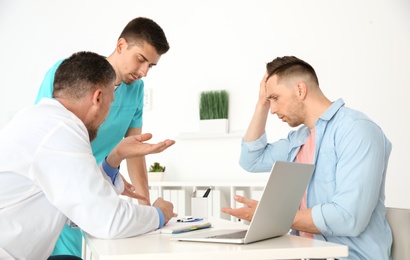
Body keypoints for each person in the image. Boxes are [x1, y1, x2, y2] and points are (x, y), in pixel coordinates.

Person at [0, 51, 176, 260]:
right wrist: (159, 214)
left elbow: (81, 200)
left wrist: (114, 158)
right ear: (98, 97)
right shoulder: (62, 129)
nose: (108, 115)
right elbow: (108, 220)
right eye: (110, 103)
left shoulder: (39, 118)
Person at [221, 56, 392, 259]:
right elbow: (251, 160)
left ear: (300, 90)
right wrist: (261, 104)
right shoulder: (300, 138)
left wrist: (271, 218)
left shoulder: (356, 130)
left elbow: (348, 217)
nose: (273, 109)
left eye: (275, 98)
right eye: (269, 101)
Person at [34, 17, 170, 257]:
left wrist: (145, 205)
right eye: (141, 59)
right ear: (121, 46)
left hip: (98, 183)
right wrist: (156, 216)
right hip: (60, 187)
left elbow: (133, 151)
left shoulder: (136, 90)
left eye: (151, 65)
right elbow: (43, 134)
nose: (144, 72)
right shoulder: (68, 74)